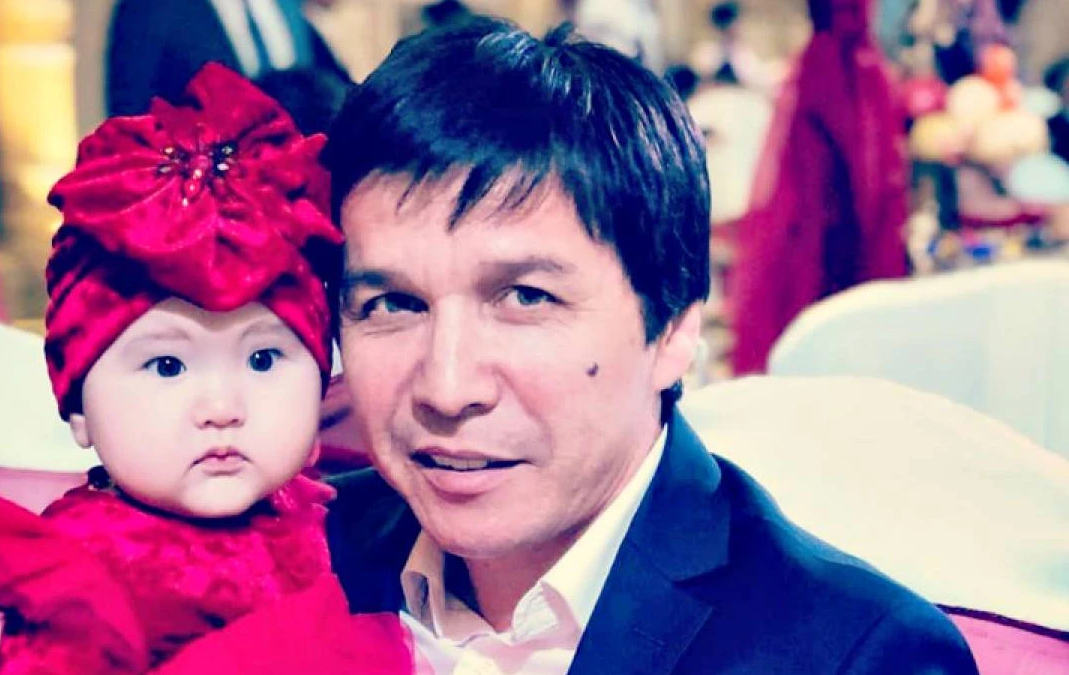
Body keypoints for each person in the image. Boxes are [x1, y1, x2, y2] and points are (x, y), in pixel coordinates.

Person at [316, 18, 978, 673]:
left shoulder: (859, 655)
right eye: (393, 304)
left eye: (525, 298)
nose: (447, 387)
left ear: (673, 328)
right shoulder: (295, 556)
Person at [0, 63, 411, 674]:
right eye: (167, 365)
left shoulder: (330, 528)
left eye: (263, 359)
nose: (222, 408)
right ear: (78, 406)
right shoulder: (84, 587)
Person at [728, 0, 911, 375]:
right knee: (822, 223)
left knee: (858, 212)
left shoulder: (862, 70)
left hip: (851, 71)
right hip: (835, 75)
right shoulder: (837, 68)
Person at [106, 0, 349, 116]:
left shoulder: (289, 7)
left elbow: (336, 91)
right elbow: (130, 116)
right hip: (202, 193)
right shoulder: (150, 8)